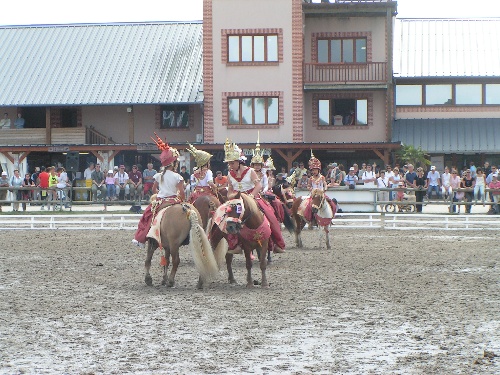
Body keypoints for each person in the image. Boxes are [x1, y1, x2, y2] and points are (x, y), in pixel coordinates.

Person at [224, 138, 285, 254]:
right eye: (229, 163)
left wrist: (251, 196)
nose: (230, 165)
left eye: (232, 162)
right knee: (225, 218)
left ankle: (277, 243)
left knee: (270, 214)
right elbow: (230, 190)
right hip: (237, 200)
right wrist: (231, 196)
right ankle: (233, 245)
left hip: (252, 197)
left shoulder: (250, 171)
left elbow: (258, 186)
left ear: (238, 161)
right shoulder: (229, 174)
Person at [133, 135, 184, 247]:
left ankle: (141, 239)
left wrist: (159, 194)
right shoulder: (178, 177)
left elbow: (153, 189)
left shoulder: (158, 175)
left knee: (147, 216)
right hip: (174, 200)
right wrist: (181, 199)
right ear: (174, 163)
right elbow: (182, 194)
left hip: (160, 201)